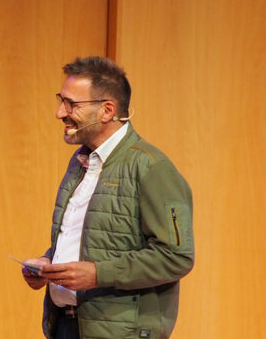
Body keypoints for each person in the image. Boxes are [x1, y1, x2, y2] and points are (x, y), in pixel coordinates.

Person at [20, 56, 193, 339]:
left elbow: (176, 257)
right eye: (60, 100)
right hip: (66, 327)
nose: (59, 113)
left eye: (71, 104)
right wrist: (48, 263)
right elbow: (93, 239)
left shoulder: (150, 167)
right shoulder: (80, 162)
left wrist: (98, 274)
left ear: (107, 110)